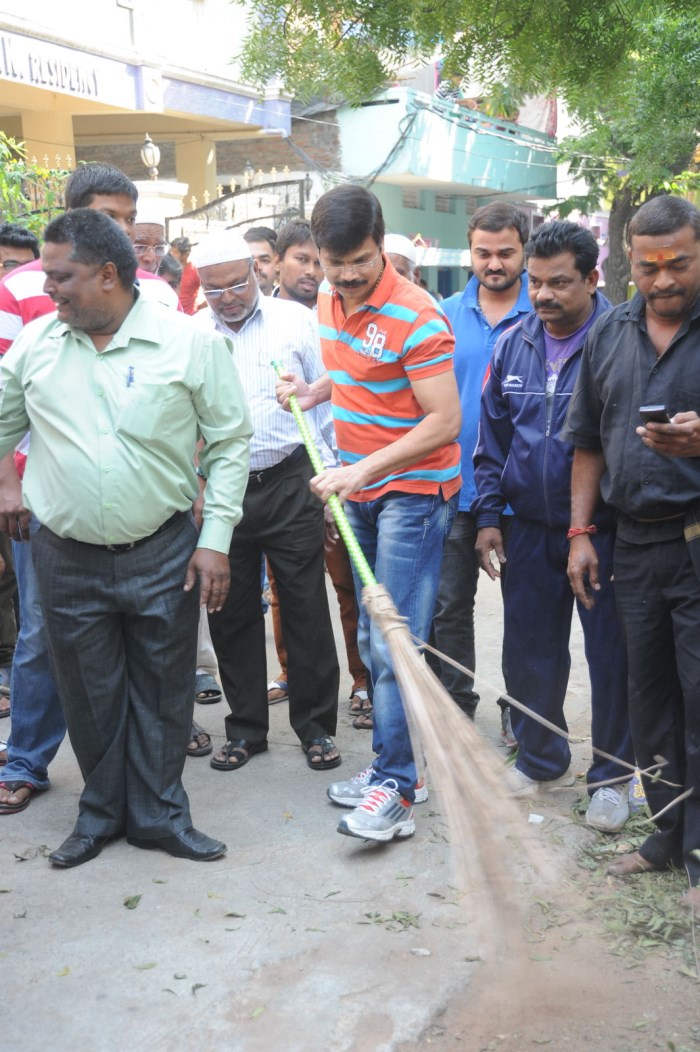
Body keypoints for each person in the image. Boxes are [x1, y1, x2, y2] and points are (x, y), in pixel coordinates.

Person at [0, 209, 252, 866]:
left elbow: (229, 442)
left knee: (166, 688)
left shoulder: (189, 343)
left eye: (61, 276)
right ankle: (101, 812)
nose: (47, 288)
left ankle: (161, 814)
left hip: (163, 547)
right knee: (89, 691)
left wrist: (216, 536)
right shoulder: (36, 346)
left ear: (108, 274)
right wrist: (6, 484)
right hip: (64, 553)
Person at [277, 184, 461, 842]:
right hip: (359, 488)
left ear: (380, 245)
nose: (348, 275)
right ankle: (393, 765)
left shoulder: (419, 317)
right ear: (317, 255)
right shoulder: (327, 296)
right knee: (372, 639)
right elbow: (354, 371)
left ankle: (399, 789)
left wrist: (361, 470)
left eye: (360, 260)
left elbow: (444, 421)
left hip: (411, 493)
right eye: (334, 262)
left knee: (393, 642)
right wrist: (312, 389)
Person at [0, 162, 185, 818]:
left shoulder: (159, 302)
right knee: (51, 646)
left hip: (147, 521)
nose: (125, 233)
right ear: (77, 216)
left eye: (130, 221)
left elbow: (191, 409)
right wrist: (11, 487)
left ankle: (153, 799)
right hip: (49, 513)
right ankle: (30, 762)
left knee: (151, 665)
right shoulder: (28, 295)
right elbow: (4, 408)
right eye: (112, 219)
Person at [474, 220, 634, 830]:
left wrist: (588, 529)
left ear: (592, 279)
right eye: (534, 282)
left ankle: (614, 779)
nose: (542, 295)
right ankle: (541, 759)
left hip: (606, 532)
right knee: (529, 652)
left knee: (611, 657)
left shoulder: (624, 342)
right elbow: (492, 439)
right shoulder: (513, 342)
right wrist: (489, 516)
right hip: (529, 528)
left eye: (559, 283)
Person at [563, 195, 700, 904]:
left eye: (678, 263)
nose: (663, 280)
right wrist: (581, 532)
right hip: (634, 545)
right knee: (646, 695)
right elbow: (586, 439)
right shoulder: (609, 333)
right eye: (648, 268)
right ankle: (666, 837)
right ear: (627, 263)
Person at [190, 232, 341, 773]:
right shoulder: (190, 333)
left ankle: (316, 728)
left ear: (259, 272)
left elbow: (328, 391)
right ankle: (247, 729)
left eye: (238, 283)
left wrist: (331, 475)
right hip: (223, 490)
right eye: (215, 290)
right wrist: (198, 490)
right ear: (200, 289)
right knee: (229, 613)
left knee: (303, 607)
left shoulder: (293, 320)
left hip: (290, 478)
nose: (228, 297)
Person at [429, 203, 531, 739]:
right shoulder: (441, 314)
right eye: (483, 253)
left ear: (524, 251)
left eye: (505, 253)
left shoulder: (548, 309)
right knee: (449, 606)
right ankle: (456, 705)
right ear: (470, 250)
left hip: (526, 494)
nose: (493, 264)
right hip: (454, 489)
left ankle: (522, 710)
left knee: (526, 608)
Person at [267, 220, 370, 725]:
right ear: (277, 261)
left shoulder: (340, 313)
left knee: (349, 583)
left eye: (317, 261)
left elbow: (342, 392)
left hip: (341, 468)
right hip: (285, 477)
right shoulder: (262, 320)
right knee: (288, 588)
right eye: (301, 260)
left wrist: (340, 475)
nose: (311, 271)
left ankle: (362, 680)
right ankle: (290, 673)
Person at [169, 236, 201, 315]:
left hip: (189, 317)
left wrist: (198, 308)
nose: (171, 254)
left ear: (185, 254)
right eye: (171, 251)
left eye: (175, 252)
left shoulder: (195, 271)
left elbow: (210, 291)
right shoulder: (168, 269)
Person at [243, 226, 277, 296]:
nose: (257, 267)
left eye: (264, 260)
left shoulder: (292, 306)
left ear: (277, 264)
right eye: (250, 260)